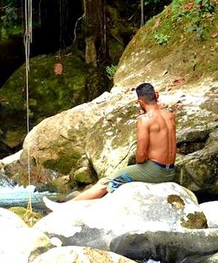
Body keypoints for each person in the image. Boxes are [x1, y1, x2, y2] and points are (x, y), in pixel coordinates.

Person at [44, 82, 176, 209]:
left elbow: (141, 156)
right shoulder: (169, 115)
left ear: (140, 101)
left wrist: (141, 163)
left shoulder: (145, 120)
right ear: (156, 95)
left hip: (155, 172)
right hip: (170, 171)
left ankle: (66, 207)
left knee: (106, 181)